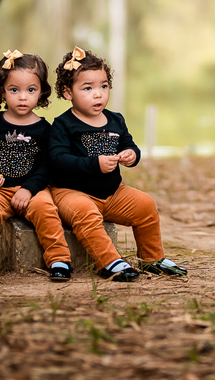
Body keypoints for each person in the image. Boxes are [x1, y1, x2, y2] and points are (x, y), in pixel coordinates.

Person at [47, 47, 188, 282]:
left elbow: (130, 145)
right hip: (71, 193)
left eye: (104, 86)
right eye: (88, 88)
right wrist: (95, 164)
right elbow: (58, 160)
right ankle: (109, 262)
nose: (98, 94)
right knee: (85, 212)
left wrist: (131, 155)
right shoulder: (63, 125)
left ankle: (151, 259)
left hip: (113, 194)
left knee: (146, 206)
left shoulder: (115, 120)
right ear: (67, 92)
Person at [0, 50, 73, 283]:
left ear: (42, 91)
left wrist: (29, 188)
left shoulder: (46, 130)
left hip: (34, 190)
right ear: (2, 90)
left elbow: (48, 166)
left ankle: (59, 260)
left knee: (47, 212)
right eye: (14, 90)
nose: (22, 97)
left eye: (30, 90)